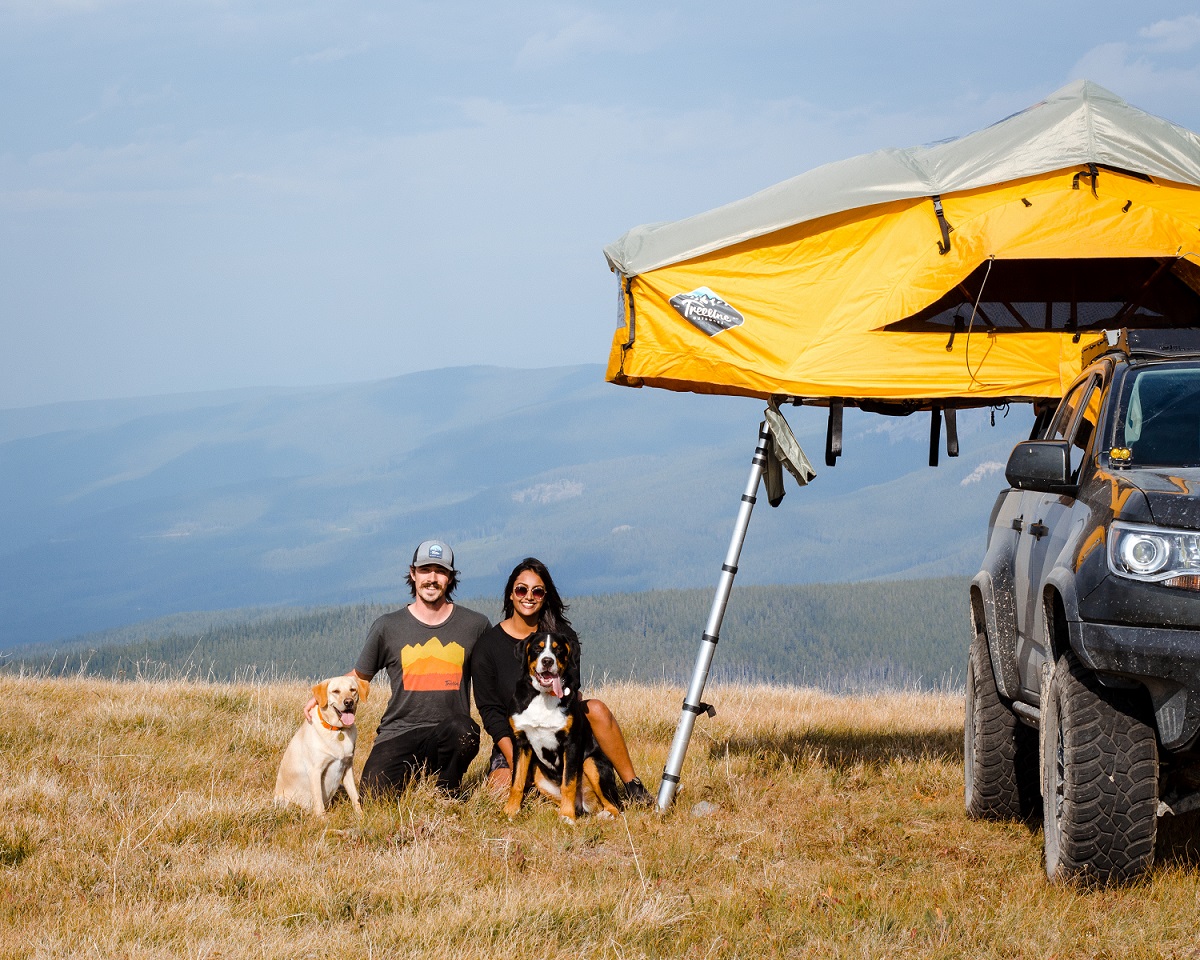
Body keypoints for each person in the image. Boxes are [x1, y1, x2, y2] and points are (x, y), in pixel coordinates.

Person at [472, 557, 654, 808]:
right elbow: (490, 712)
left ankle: (633, 787)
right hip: (519, 740)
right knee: (499, 790)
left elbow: (572, 686)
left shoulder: (563, 637)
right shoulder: (488, 646)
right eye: (521, 589)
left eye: (537, 591)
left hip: (561, 735)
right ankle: (541, 790)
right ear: (511, 595)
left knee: (596, 708)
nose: (529, 596)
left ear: (545, 596)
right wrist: (517, 766)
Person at [320, 539, 490, 798]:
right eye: (425, 570)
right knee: (376, 798)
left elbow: (495, 674)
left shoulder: (475, 626)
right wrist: (319, 695)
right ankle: (415, 776)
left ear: (450, 578)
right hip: (398, 733)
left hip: (448, 731)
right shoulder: (388, 627)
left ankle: (447, 790)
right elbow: (359, 676)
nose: (432, 578)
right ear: (413, 573)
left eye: (440, 571)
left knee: (465, 731)